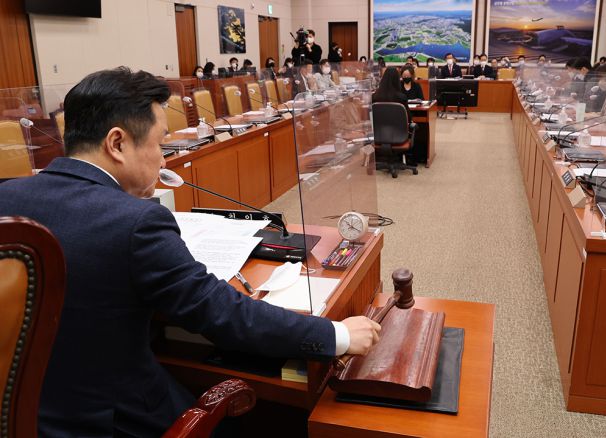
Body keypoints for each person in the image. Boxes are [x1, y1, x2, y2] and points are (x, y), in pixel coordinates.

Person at [0, 67, 381, 437]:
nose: (164, 160)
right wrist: (335, 335)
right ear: (117, 143)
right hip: (109, 417)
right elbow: (222, 313)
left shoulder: (6, 195)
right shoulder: (135, 222)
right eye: (159, 144)